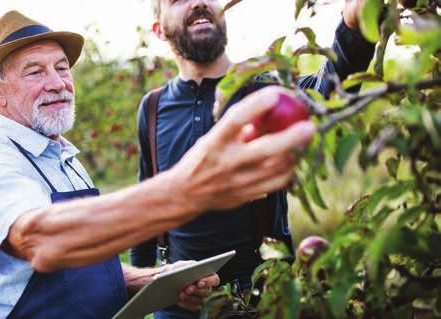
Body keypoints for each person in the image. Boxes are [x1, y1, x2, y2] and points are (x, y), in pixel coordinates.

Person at [0, 10, 316, 319]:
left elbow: (82, 272)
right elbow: (41, 241)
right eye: (35, 72)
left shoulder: (65, 160)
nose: (57, 83)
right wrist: (187, 190)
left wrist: (158, 280)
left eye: (62, 68)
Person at [130, 0, 375, 318]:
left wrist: (354, 22)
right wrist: (143, 291)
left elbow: (330, 87)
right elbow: (146, 211)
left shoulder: (265, 92)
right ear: (159, 29)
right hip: (178, 300)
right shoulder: (151, 108)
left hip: (261, 295)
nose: (200, 2)